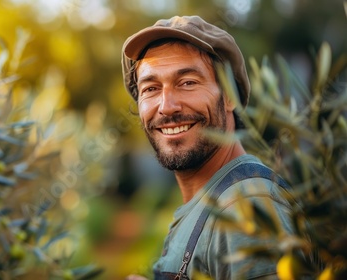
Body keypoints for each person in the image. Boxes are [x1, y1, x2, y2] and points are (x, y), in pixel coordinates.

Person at [121, 16, 294, 279]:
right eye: (151, 88)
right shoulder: (216, 201)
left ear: (229, 96)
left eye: (188, 82)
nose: (167, 106)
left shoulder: (246, 206)